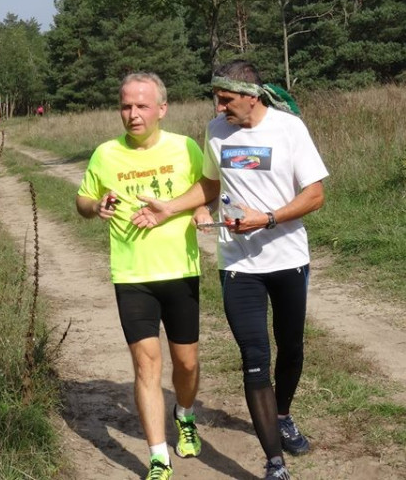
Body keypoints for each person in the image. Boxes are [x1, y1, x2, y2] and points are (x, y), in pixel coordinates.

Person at [131, 60, 328, 480]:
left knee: (290, 348)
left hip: (288, 258)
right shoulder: (217, 131)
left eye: (227, 100)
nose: (219, 108)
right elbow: (210, 184)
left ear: (251, 95)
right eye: (216, 99)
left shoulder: (290, 129)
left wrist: (269, 218)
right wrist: (181, 207)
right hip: (238, 264)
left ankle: (285, 415)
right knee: (255, 357)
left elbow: (314, 195)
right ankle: (275, 463)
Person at [76, 72, 210, 480]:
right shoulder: (105, 154)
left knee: (185, 364)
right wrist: (95, 205)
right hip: (132, 274)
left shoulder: (186, 148)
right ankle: (158, 457)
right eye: (126, 106)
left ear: (162, 109)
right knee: (146, 366)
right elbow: (82, 200)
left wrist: (201, 211)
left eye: (141, 106)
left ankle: (184, 415)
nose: (132, 115)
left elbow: (207, 188)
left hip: (180, 270)